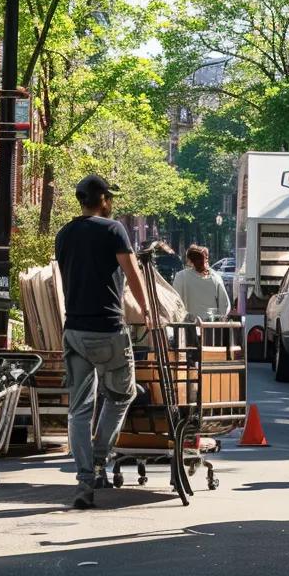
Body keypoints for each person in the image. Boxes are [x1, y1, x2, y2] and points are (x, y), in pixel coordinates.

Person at [54, 173, 152, 510]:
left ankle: (84, 478)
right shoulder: (114, 230)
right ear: (103, 199)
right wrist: (145, 307)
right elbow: (131, 271)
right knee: (122, 394)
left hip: (74, 331)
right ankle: (98, 460)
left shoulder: (63, 234)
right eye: (110, 197)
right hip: (108, 329)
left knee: (80, 407)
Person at [173, 244, 230, 321]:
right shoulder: (215, 277)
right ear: (206, 259)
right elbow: (224, 304)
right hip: (211, 325)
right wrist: (220, 320)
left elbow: (175, 302)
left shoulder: (180, 276)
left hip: (188, 325)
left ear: (189, 260)